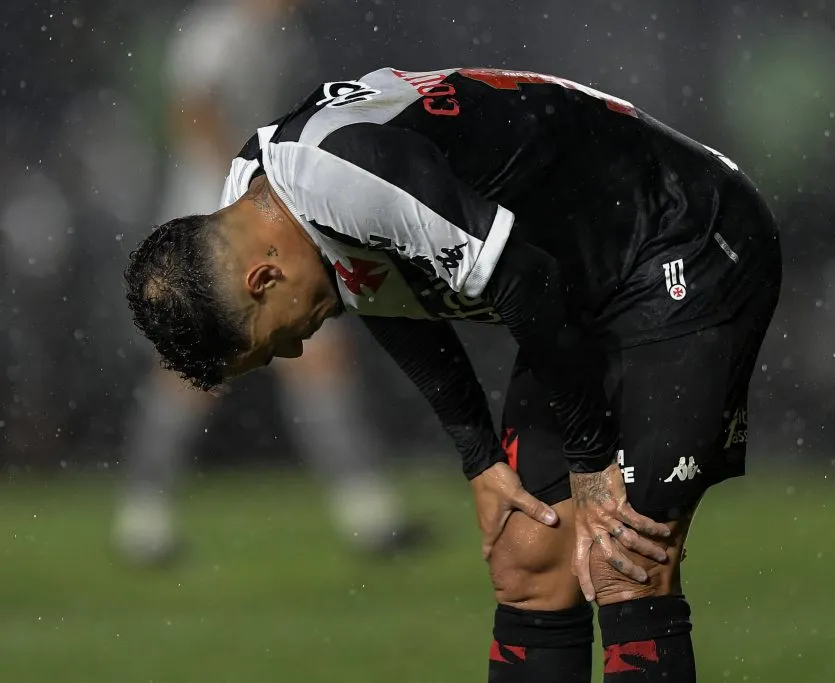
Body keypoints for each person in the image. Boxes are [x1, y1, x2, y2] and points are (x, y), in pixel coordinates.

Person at [124, 67, 781, 682]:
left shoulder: (341, 176)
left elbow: (526, 281)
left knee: (627, 561)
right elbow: (380, 290)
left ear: (262, 278)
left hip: (684, 238)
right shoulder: (252, 197)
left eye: (270, 346)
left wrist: (589, 461)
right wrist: (480, 458)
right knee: (527, 554)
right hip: (582, 285)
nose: (292, 354)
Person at [115, 0, 421, 563]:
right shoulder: (217, 30)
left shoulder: (283, 35)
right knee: (190, 375)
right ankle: (144, 515)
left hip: (262, 213)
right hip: (216, 220)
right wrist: (249, 174)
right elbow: (191, 112)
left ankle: (369, 512)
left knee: (319, 359)